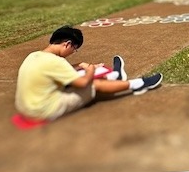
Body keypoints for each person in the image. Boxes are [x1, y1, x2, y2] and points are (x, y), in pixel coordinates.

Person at [15, 26, 162, 122]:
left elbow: (57, 70)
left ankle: (115, 77)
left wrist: (79, 66)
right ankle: (139, 84)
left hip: (26, 108)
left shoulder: (35, 55)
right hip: (42, 111)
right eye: (75, 49)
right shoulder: (56, 62)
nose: (73, 52)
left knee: (74, 80)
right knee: (93, 84)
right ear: (67, 44)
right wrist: (91, 70)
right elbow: (83, 83)